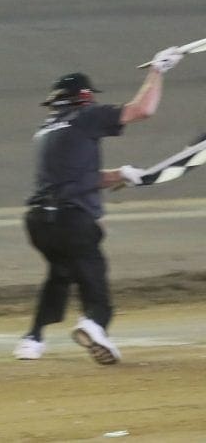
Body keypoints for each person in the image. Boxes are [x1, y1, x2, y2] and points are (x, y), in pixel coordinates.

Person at [13, 46, 184, 364]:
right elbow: (142, 110)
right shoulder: (87, 116)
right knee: (94, 281)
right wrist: (158, 70)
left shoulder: (46, 130)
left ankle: (32, 339)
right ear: (85, 96)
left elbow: (77, 177)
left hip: (38, 222)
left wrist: (122, 174)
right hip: (71, 222)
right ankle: (94, 324)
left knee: (60, 273)